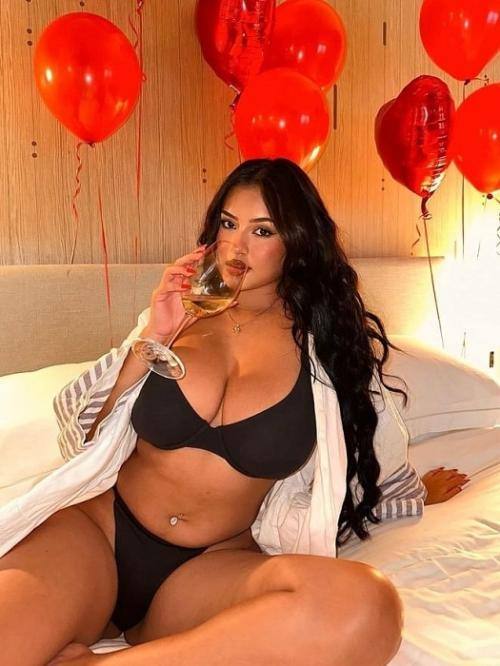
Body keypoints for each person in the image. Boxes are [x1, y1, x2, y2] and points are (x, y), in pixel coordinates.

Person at [0, 158, 466, 666]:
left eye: (262, 230)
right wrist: (153, 335)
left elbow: (367, 456)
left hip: (207, 568)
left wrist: (415, 492)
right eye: (228, 224)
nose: (237, 247)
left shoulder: (329, 354)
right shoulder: (178, 316)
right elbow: (82, 434)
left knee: (367, 607)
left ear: (297, 242)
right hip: (96, 536)